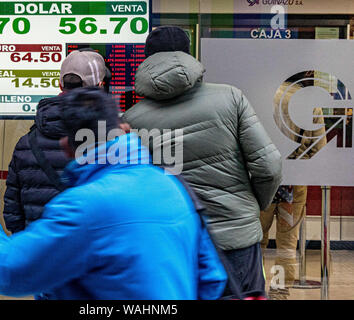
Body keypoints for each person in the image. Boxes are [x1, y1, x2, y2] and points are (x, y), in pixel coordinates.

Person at [0, 87, 227, 300]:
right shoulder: (172, 187)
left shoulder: (83, 207)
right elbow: (212, 279)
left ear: (67, 147)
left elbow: (8, 272)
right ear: (125, 130)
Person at [122, 26, 282, 299]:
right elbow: (269, 165)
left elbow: (133, 190)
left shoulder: (132, 120)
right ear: (189, 56)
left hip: (173, 244)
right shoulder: (231, 98)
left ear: (147, 60)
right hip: (236, 240)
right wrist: (250, 204)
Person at [3, 49, 109, 233]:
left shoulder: (26, 144)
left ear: (60, 85)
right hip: (90, 255)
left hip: (38, 254)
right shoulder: (110, 142)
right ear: (99, 87)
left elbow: (12, 214)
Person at [261, 81, 327, 299]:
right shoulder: (309, 102)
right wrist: (299, 160)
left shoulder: (259, 91)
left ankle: (254, 288)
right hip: (293, 183)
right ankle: (279, 292)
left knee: (254, 241)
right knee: (287, 245)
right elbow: (318, 148)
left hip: (260, 180)